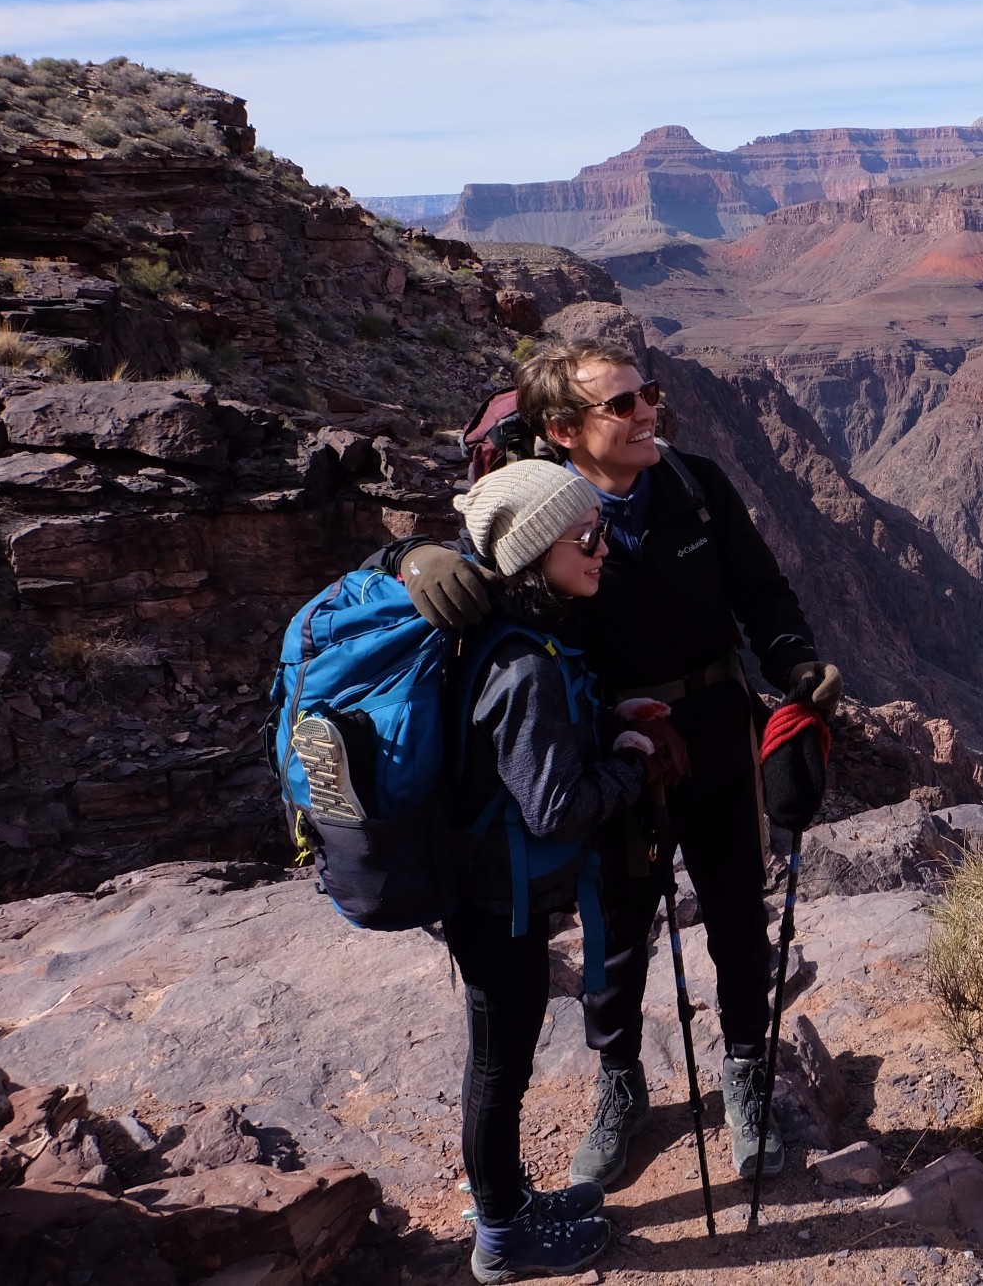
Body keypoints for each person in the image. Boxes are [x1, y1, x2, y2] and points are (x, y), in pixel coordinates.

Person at [395, 338, 842, 1185]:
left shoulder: (695, 486)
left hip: (714, 731)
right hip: (613, 751)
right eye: (624, 405)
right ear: (563, 430)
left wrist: (796, 663)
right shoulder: (533, 511)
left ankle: (746, 1073)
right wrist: (412, 560)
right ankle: (620, 1085)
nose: (649, 414)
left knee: (740, 916)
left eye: (652, 394)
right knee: (617, 937)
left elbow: (763, 592)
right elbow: (449, 572)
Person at [438, 459, 649, 1283]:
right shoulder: (523, 668)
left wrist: (606, 723)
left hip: (489, 891)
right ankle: (501, 1234)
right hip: (496, 904)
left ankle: (509, 1200)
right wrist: (630, 767)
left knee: (501, 1057)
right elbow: (554, 807)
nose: (602, 548)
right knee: (498, 1064)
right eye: (586, 536)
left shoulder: (501, 634)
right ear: (534, 549)